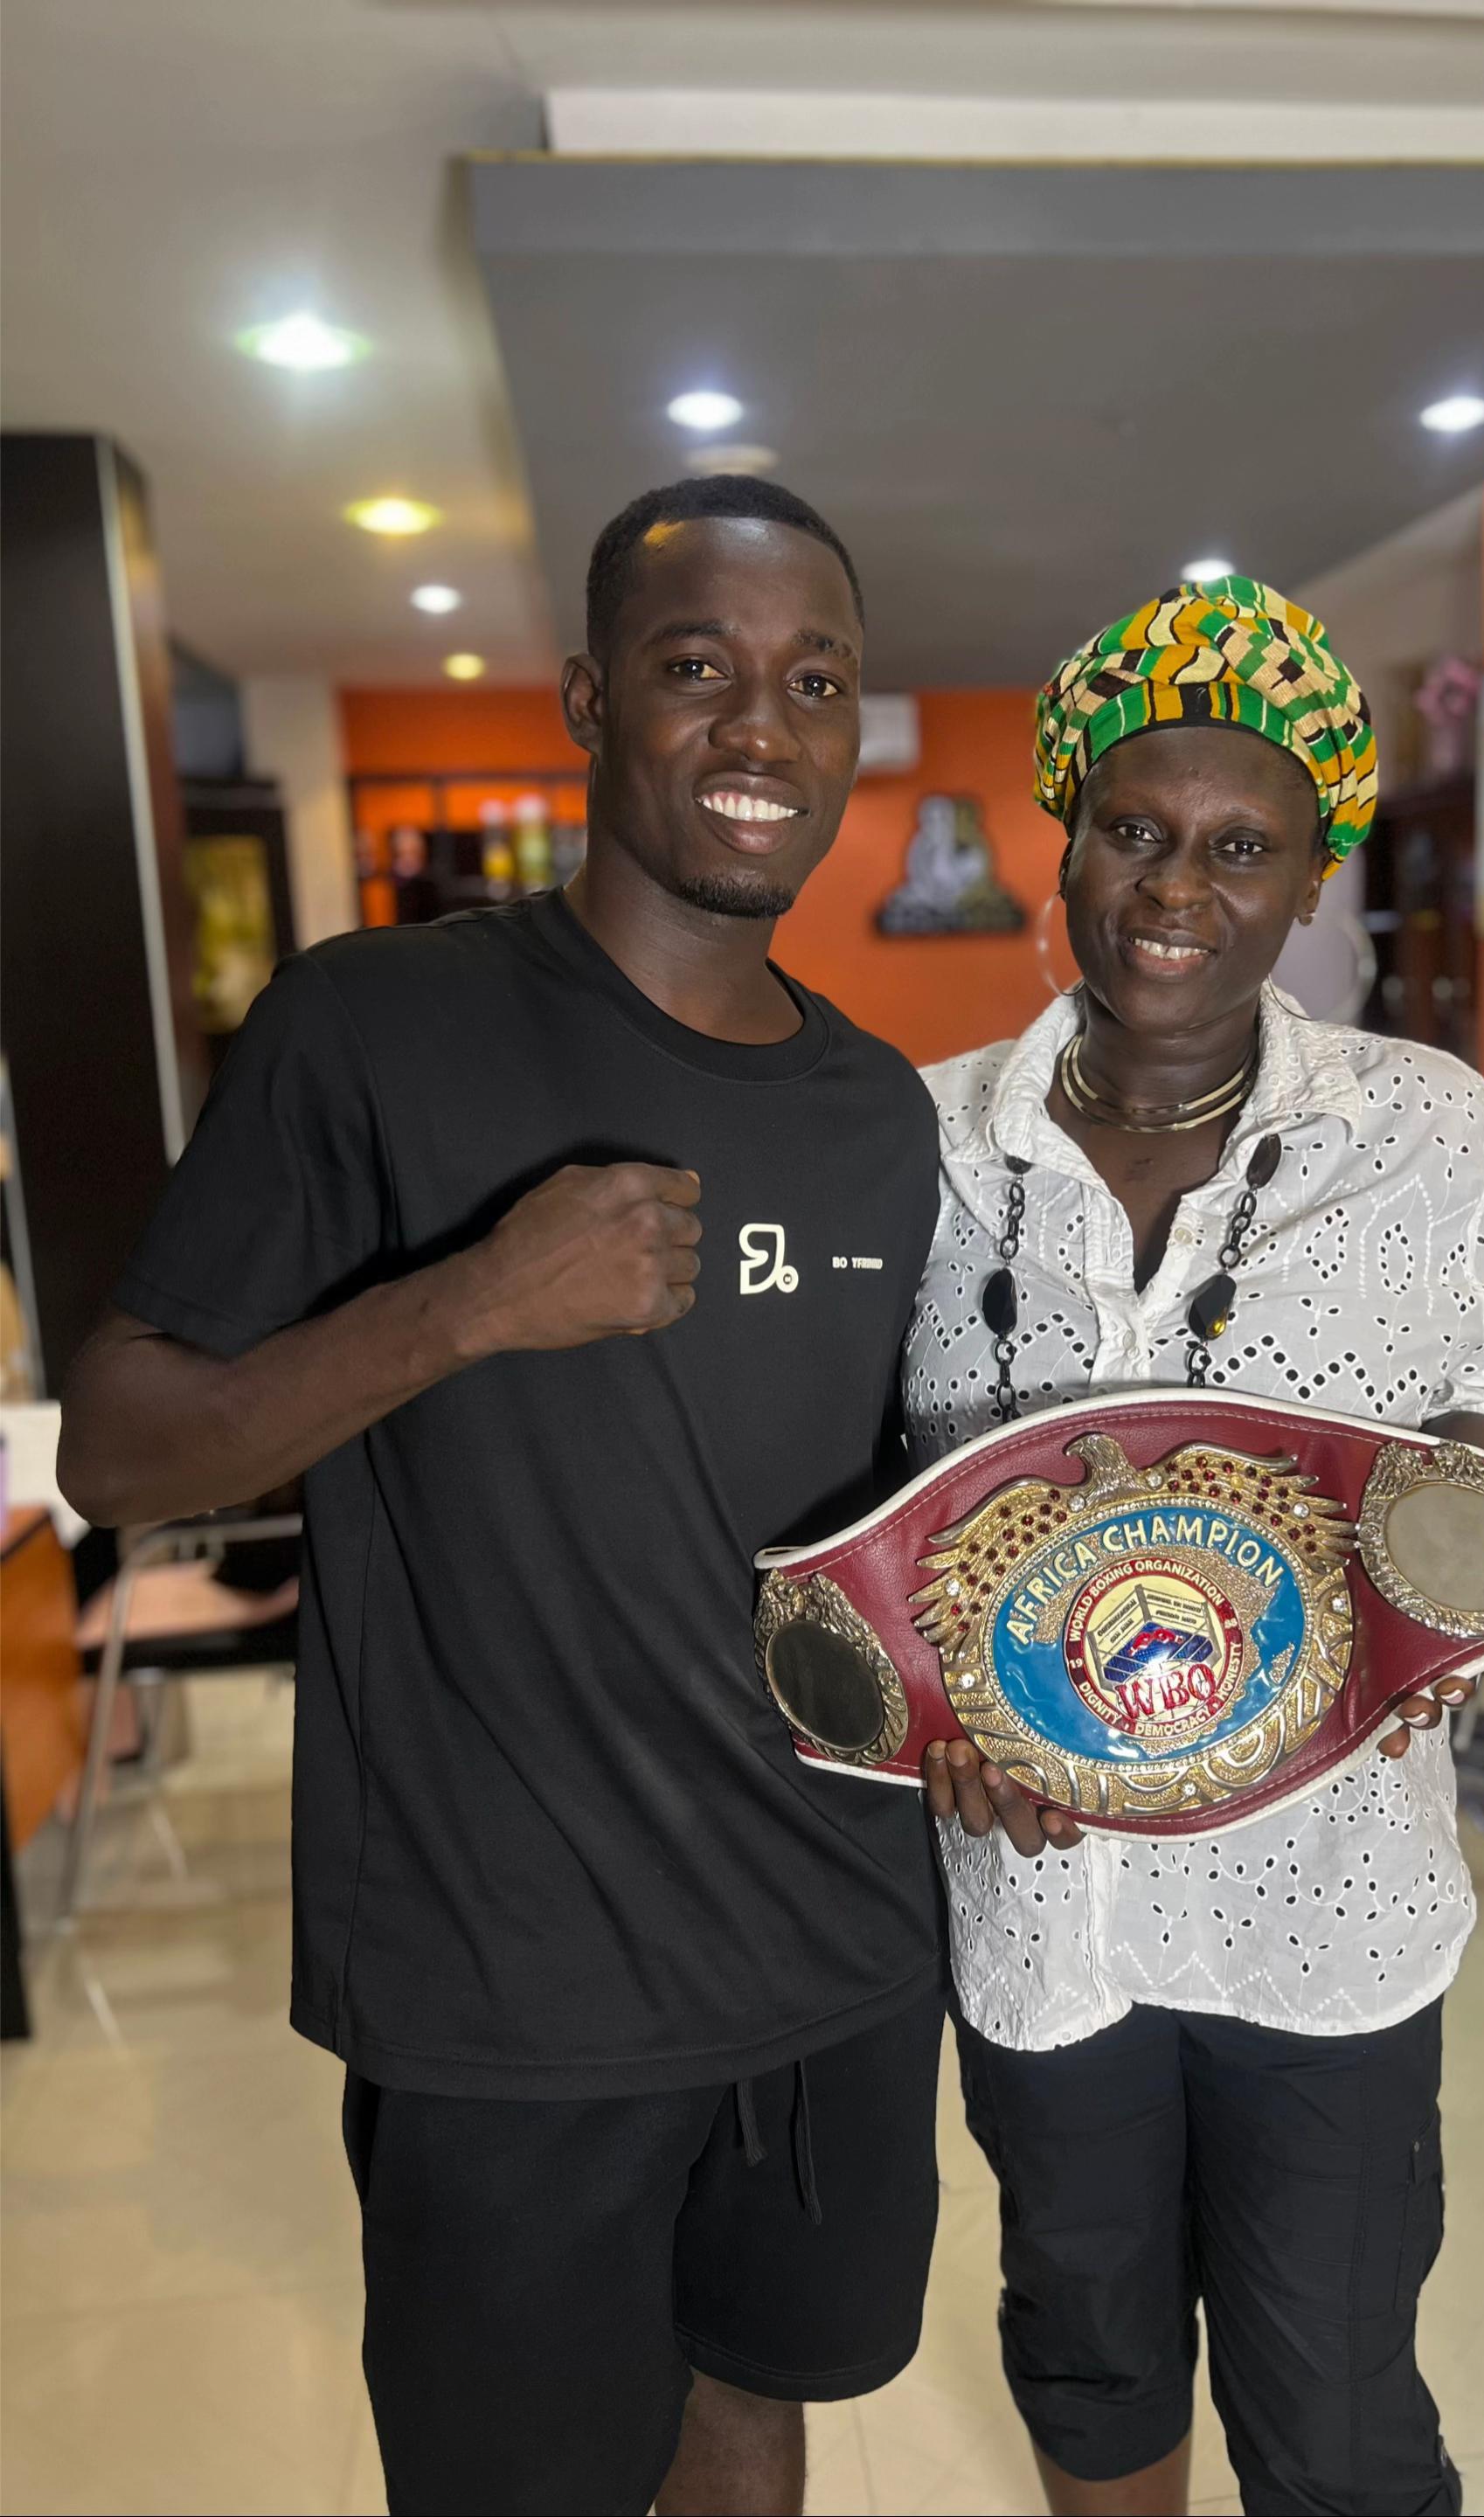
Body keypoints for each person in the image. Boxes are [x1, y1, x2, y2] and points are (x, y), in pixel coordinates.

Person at [58, 475, 947, 2517]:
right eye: (698, 667)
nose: (764, 726)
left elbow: (875, 1525)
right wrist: (465, 1305)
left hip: (833, 1946)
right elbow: (118, 1447)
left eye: (816, 681)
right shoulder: (375, 1027)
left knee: (755, 2415)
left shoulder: (879, 1114)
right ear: (587, 699)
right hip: (512, 1986)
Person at [912, 579, 1484, 2517]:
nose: (1176, 889)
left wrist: (1423, 1563)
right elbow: (872, 1500)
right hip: (1040, 1901)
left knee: (1336, 2407)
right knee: (1090, 2354)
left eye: (1239, 849)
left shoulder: (1435, 1137)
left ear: (1309, 883)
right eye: (1135, 830)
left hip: (1329, 1907)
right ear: (1066, 842)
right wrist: (925, 1698)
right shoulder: (931, 1145)